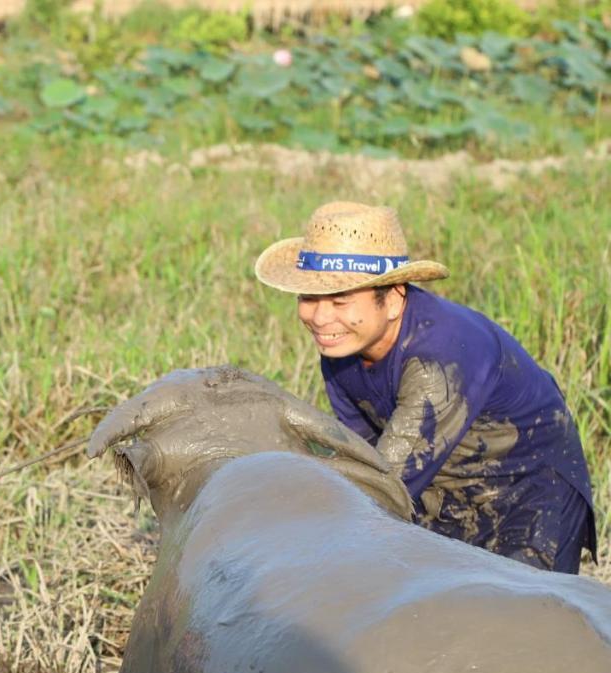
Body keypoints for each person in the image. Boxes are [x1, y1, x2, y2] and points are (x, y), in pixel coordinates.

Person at [254, 201, 594, 574]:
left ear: (395, 298)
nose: (319, 318)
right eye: (308, 298)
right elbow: (365, 455)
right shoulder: (342, 347)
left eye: (339, 300)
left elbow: (384, 485)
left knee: (524, 619)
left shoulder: (439, 359)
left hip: (528, 490)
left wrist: (290, 547)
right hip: (443, 485)